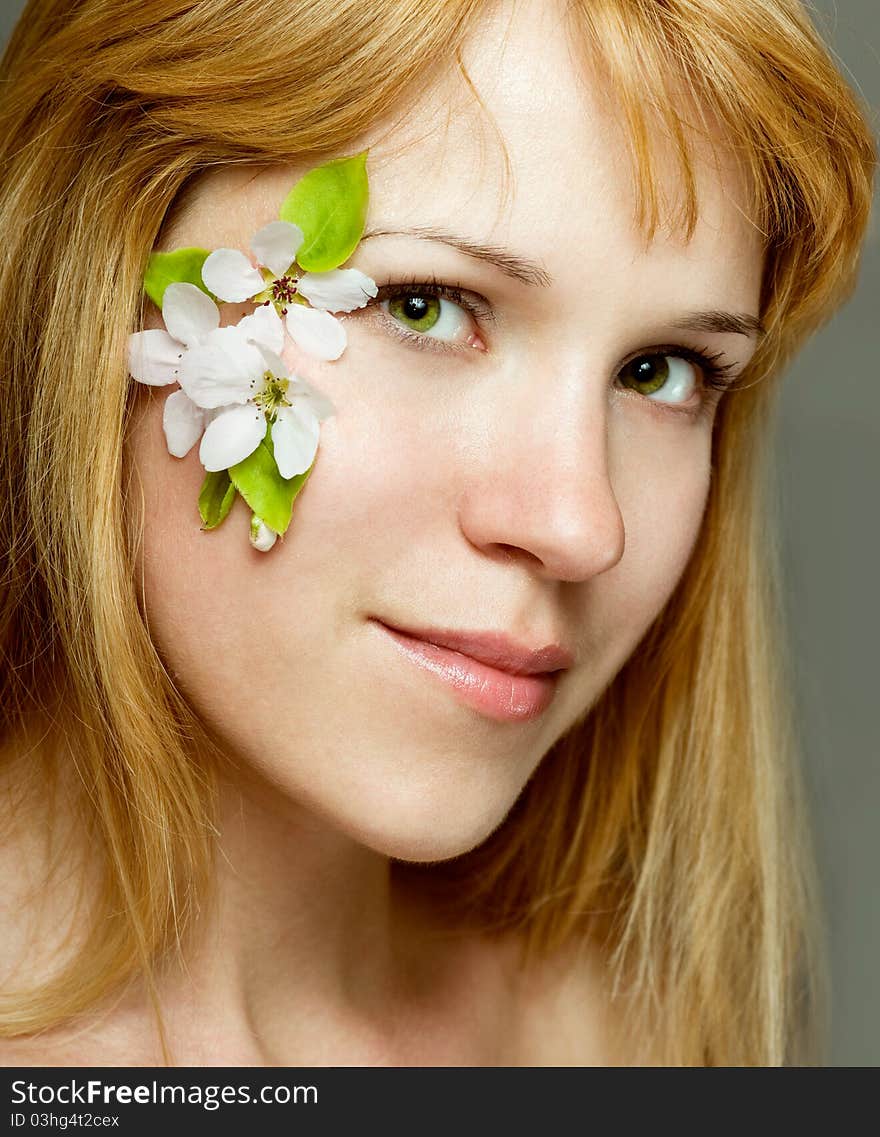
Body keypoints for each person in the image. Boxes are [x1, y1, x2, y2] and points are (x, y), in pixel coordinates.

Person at [0, 0, 874, 1068]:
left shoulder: (630, 1045)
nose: (578, 524)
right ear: (87, 275)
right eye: (424, 306)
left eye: (661, 373)